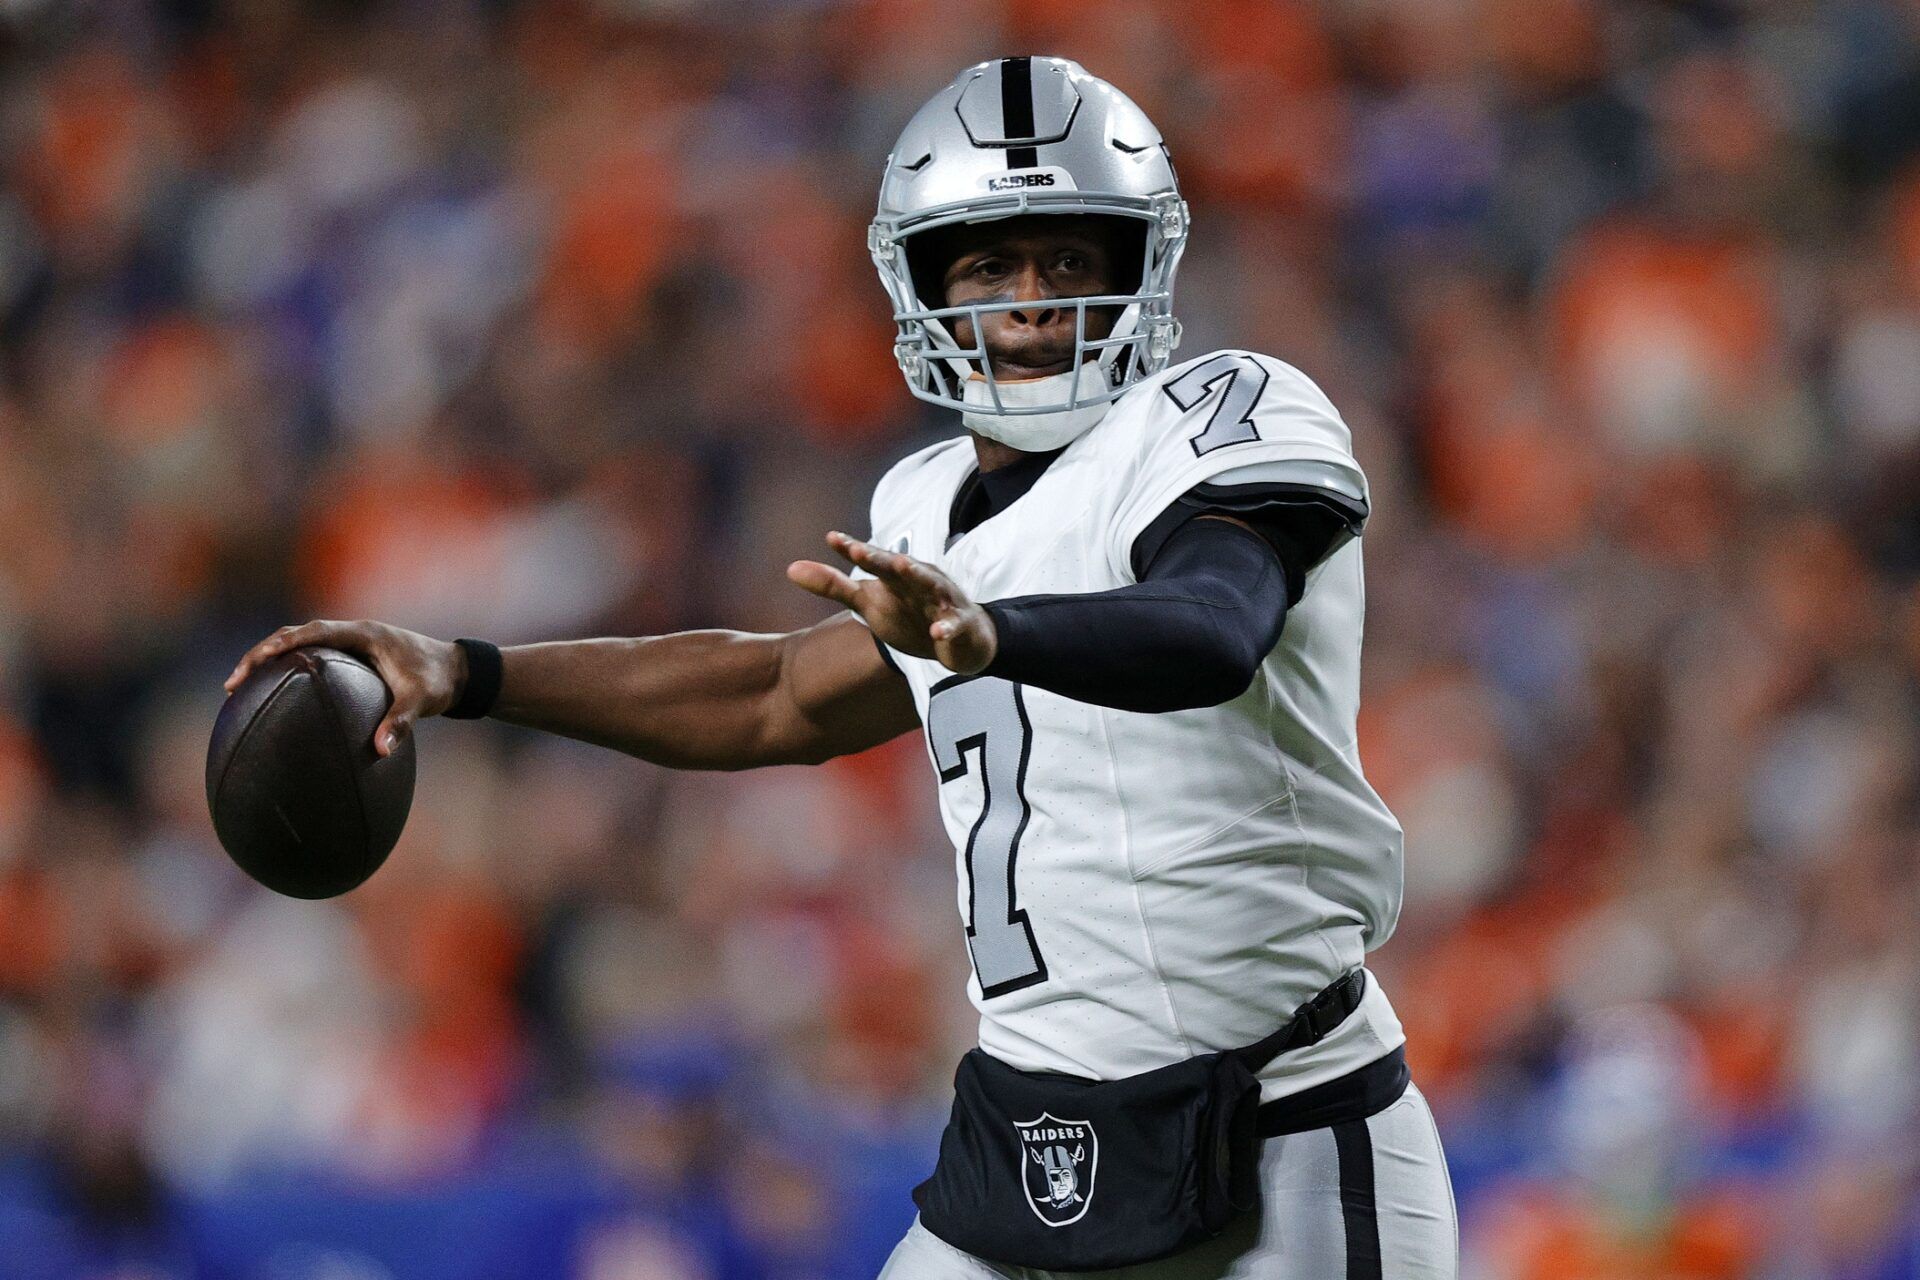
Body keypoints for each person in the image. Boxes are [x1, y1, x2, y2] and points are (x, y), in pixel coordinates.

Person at [226, 57, 1457, 1279]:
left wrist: (997, 636)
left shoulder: (1228, 412)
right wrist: (465, 669)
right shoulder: (923, 506)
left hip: (1284, 1130)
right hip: (1034, 1128)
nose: (1033, 302)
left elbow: (1212, 623)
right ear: (922, 284)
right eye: (991, 265)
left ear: (1143, 267)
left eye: (1070, 260)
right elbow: (773, 693)